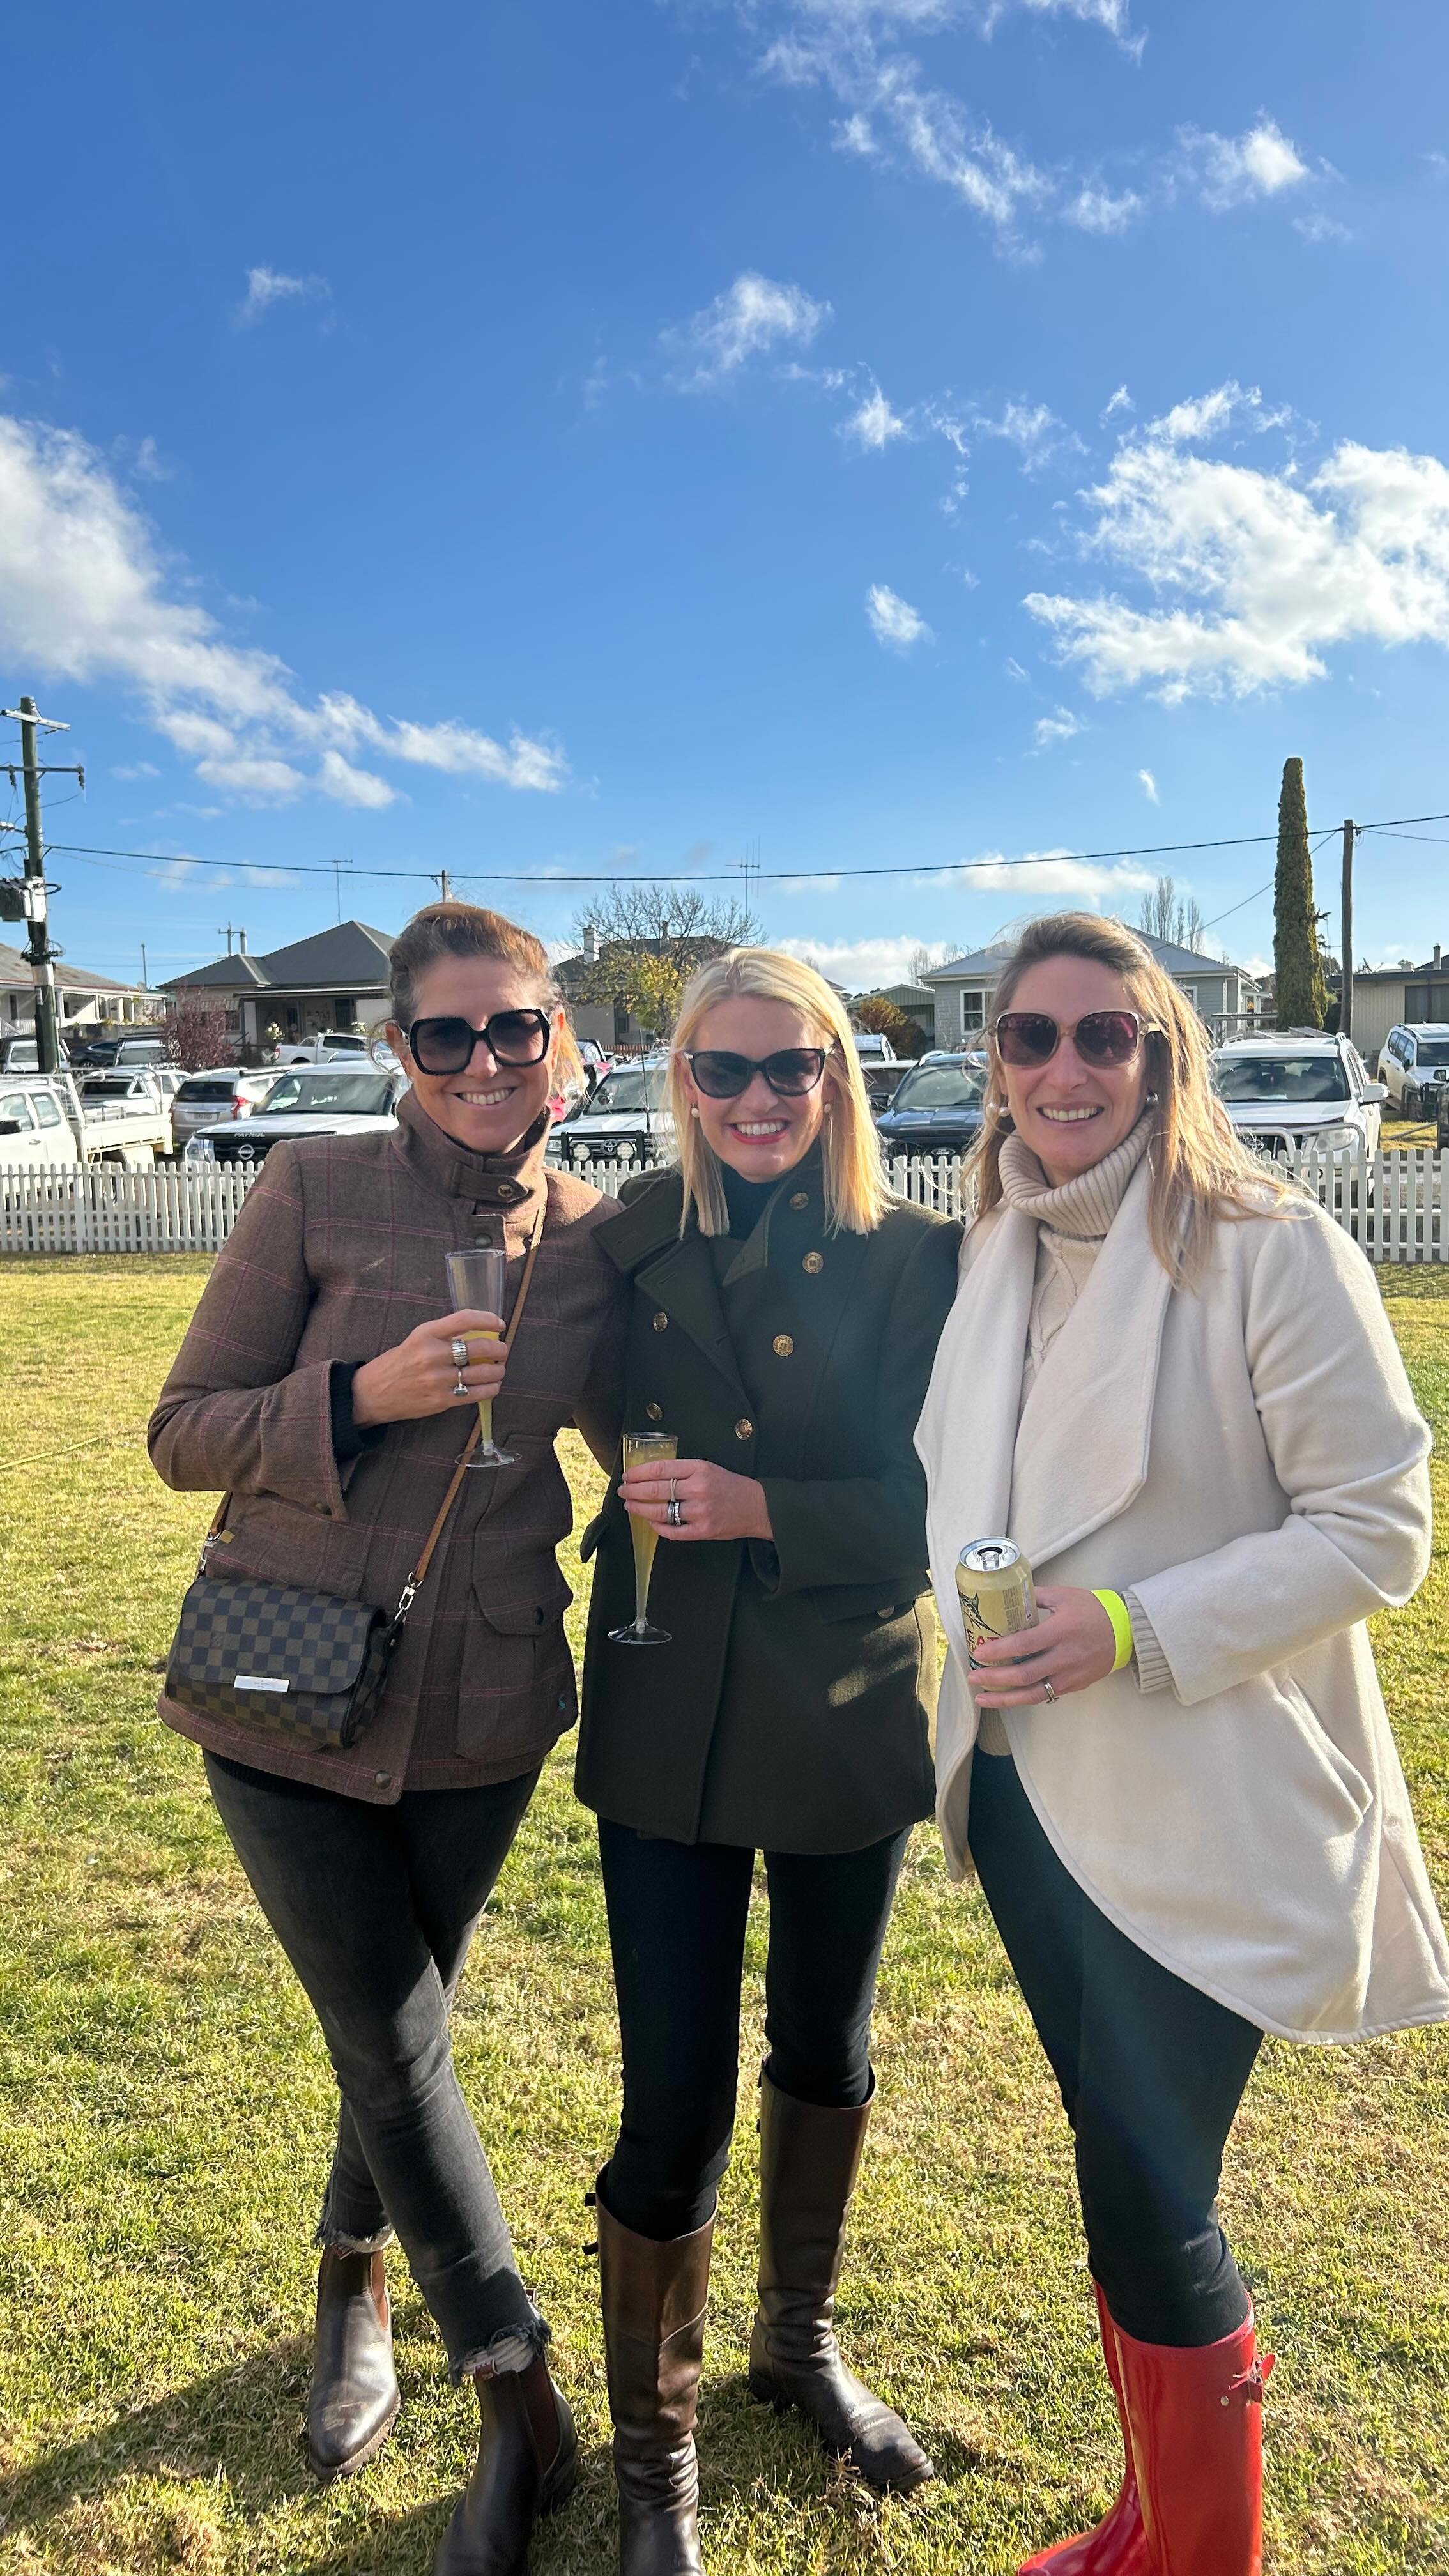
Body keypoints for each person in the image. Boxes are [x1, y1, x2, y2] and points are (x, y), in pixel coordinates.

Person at [915, 913, 1449, 2576]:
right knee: (1109, 2161)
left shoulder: (1264, 1243)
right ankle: (1149, 2518)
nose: (1062, 1069)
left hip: (1193, 1796)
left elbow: (1378, 1528)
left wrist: (1138, 1628)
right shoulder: (993, 1238)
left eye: (1104, 1036)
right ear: (990, 1063)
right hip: (1020, 1791)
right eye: (1028, 1038)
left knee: (1153, 2187)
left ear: (1163, 1056)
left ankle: (1198, 2556)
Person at [148, 903, 627, 2576]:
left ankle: (351, 2271)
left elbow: (656, 1439)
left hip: (486, 1701)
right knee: (393, 2028)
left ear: (558, 1037)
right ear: (398, 1052)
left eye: (513, 1030)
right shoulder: (312, 1188)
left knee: (399, 2016)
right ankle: (513, 2388)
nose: (484, 1061)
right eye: (447, 1035)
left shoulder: (599, 1237)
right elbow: (181, 1436)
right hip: (277, 1671)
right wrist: (362, 1396)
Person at [574, 949, 961, 2574]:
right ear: (680, 1082)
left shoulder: (921, 1259)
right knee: (670, 2092)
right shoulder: (623, 1242)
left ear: (839, 1078)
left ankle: (793, 2342)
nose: (756, 1102)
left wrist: (765, 1512)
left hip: (844, 1701)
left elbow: (951, 1500)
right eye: (722, 1073)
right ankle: (654, 2458)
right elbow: (575, 1416)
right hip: (666, 1695)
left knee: (828, 2042)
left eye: (790, 1069)